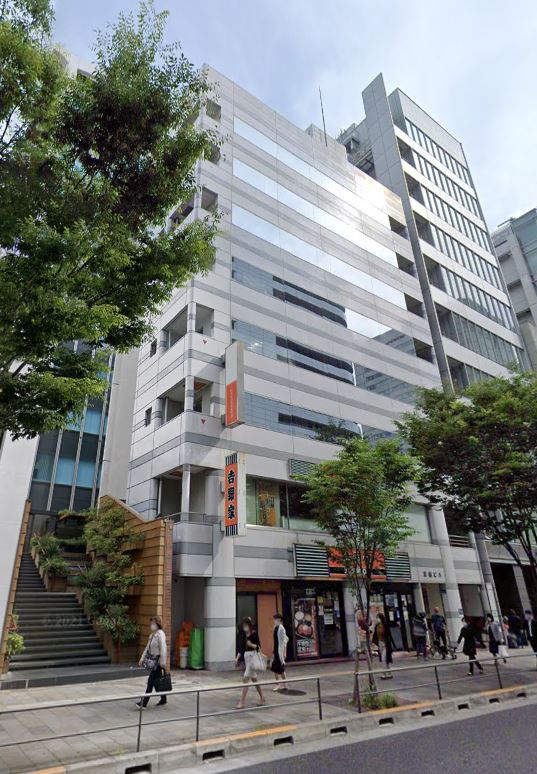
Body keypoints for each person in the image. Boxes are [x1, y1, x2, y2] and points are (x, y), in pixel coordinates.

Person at [136, 616, 168, 707]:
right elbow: (147, 648)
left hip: (158, 662)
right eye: (151, 623)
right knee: (157, 682)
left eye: (153, 623)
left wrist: (162, 663)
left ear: (158, 624)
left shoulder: (160, 634)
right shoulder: (152, 635)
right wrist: (142, 659)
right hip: (153, 661)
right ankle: (163, 699)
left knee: (150, 682)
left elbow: (163, 649)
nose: (151, 625)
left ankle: (144, 703)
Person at [236, 617, 265, 709]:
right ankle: (262, 697)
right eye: (243, 626)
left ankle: (242, 702)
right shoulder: (244, 635)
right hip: (247, 658)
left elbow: (259, 647)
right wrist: (237, 658)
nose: (245, 627)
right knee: (254, 679)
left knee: (245, 679)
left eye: (246, 625)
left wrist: (251, 645)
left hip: (252, 657)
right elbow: (241, 648)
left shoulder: (254, 634)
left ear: (249, 625)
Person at [372, 612, 394, 678]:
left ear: (381, 618)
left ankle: (384, 674)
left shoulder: (385, 625)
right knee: (385, 659)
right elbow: (375, 635)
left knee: (383, 659)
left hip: (385, 644)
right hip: (380, 644)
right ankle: (389, 673)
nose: (377, 619)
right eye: (377, 618)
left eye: (378, 618)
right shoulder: (377, 626)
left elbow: (389, 635)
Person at [270, 613, 288, 691]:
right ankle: (278, 684)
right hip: (276, 650)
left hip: (280, 651)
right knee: (275, 668)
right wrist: (273, 652)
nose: (274, 621)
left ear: (279, 620)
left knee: (281, 669)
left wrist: (284, 652)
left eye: (275, 619)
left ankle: (284, 684)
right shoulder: (275, 627)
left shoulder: (281, 629)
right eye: (274, 619)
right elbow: (275, 641)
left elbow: (285, 640)